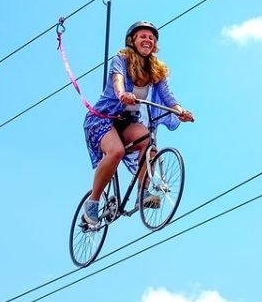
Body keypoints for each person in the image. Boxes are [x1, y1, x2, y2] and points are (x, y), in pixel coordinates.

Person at [82, 20, 194, 225]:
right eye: (143, 36)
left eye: (151, 38)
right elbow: (117, 80)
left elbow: (168, 97)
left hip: (127, 121)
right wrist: (122, 93)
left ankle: (142, 193)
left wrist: (180, 112)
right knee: (116, 152)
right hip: (103, 119)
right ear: (132, 40)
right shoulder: (121, 59)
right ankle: (93, 201)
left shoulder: (156, 70)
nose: (147, 40)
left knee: (148, 142)